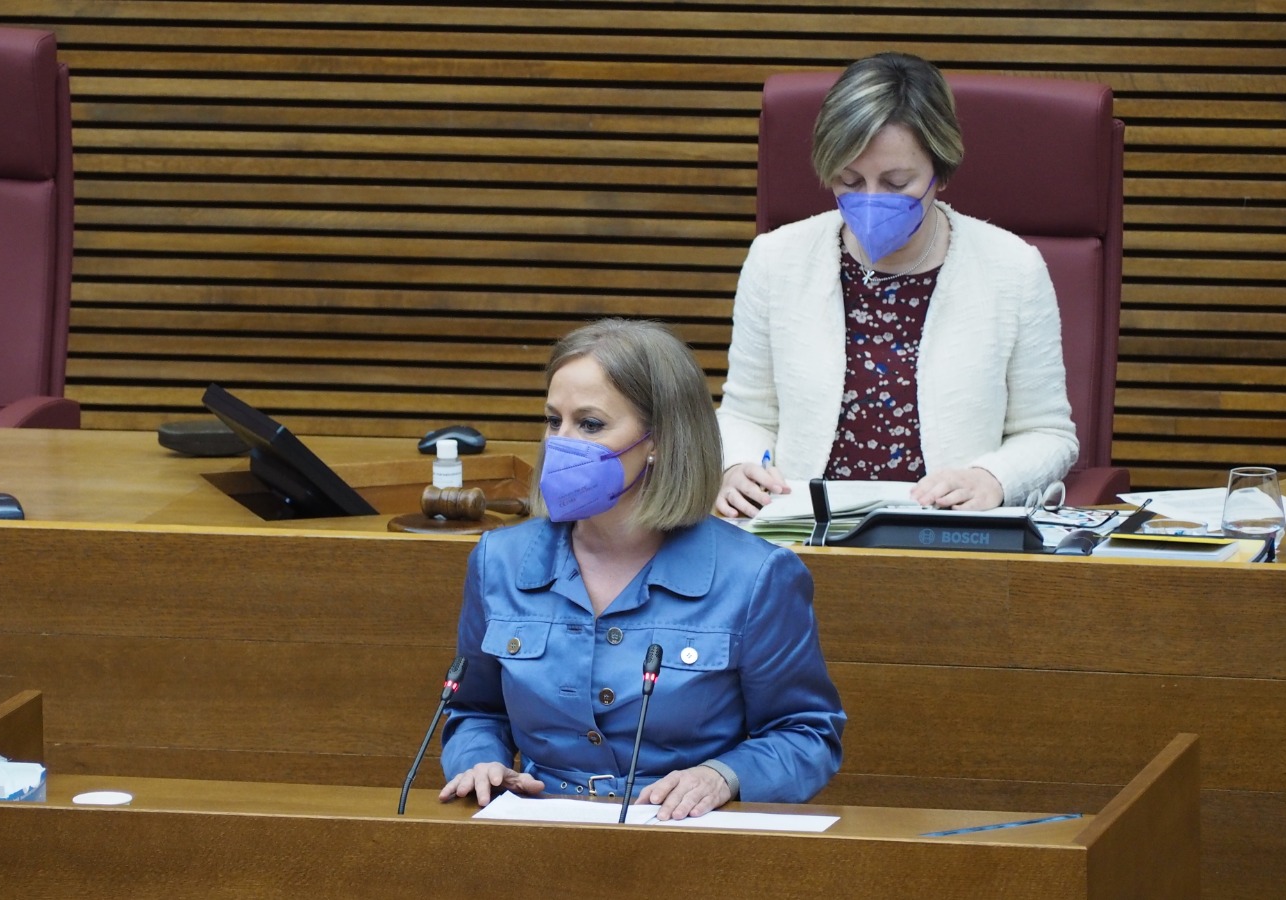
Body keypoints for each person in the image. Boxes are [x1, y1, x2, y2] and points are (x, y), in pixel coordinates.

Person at [438, 318, 845, 819]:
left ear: (659, 440)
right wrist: (480, 763)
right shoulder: (498, 559)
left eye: (590, 424)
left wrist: (724, 775)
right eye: (553, 420)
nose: (561, 443)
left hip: (686, 831)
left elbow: (806, 733)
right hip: (537, 826)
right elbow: (474, 710)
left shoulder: (757, 576)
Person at [716, 52, 1078, 517]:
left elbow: (1048, 433)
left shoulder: (1013, 269)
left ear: (940, 171)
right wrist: (738, 466)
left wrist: (992, 478)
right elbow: (746, 414)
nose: (870, 201)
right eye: (850, 180)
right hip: (803, 531)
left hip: (945, 533)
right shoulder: (776, 259)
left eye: (896, 182)